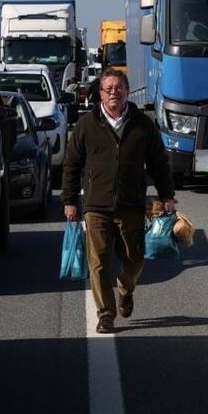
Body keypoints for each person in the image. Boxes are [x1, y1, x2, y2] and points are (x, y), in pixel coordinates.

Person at [62, 68, 175, 333]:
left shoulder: (142, 124)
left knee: (135, 257)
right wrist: (69, 200)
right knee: (99, 262)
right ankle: (106, 314)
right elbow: (71, 164)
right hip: (96, 205)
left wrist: (166, 195)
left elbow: (159, 162)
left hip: (131, 203)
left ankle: (125, 287)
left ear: (127, 91)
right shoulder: (86, 125)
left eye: (119, 88)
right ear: (100, 93)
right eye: (108, 88)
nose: (114, 92)